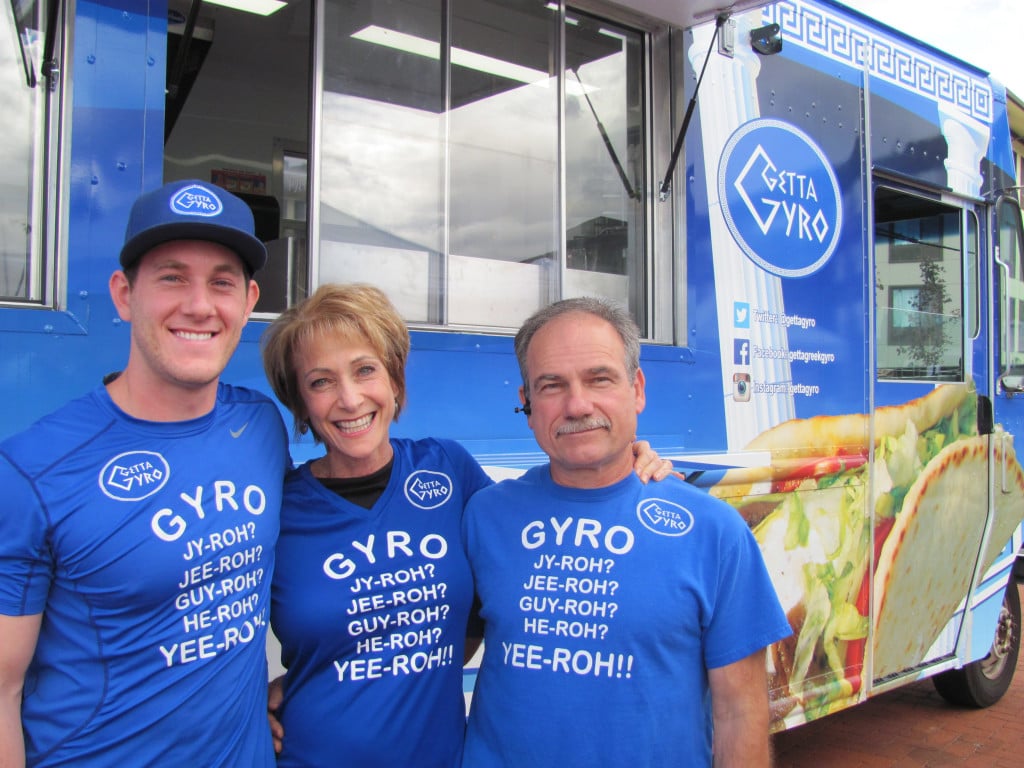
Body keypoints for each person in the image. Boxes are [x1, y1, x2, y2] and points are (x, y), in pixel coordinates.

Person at [259, 283, 674, 767]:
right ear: (301, 404)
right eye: (320, 382)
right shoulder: (279, 508)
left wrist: (632, 461)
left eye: (365, 370)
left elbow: (539, 516)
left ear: (395, 381)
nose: (349, 399)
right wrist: (247, 702)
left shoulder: (448, 470)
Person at [0, 179, 288, 767]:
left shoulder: (259, 427)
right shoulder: (32, 471)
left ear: (249, 300)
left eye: (222, 282)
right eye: (172, 276)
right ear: (124, 294)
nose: (200, 305)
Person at [461, 297, 792, 768]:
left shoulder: (713, 533)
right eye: (551, 385)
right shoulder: (484, 516)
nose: (578, 405)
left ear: (636, 388)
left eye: (600, 378)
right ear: (527, 404)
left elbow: (740, 715)